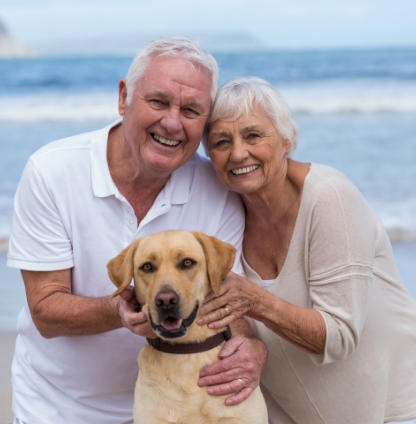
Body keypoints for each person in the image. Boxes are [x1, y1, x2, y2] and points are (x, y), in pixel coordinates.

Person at [7, 39, 267, 424]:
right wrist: (120, 310)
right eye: (158, 102)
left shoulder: (217, 188)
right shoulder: (52, 172)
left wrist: (253, 348)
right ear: (124, 96)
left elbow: (226, 297)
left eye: (191, 110)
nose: (172, 123)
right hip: (58, 409)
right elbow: (45, 310)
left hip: (181, 407)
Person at [198, 76, 416, 424]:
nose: (238, 153)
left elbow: (338, 336)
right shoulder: (224, 213)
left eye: (253, 135)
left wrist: (255, 300)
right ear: (209, 156)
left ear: (287, 140)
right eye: (222, 142)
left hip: (392, 413)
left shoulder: (329, 197)